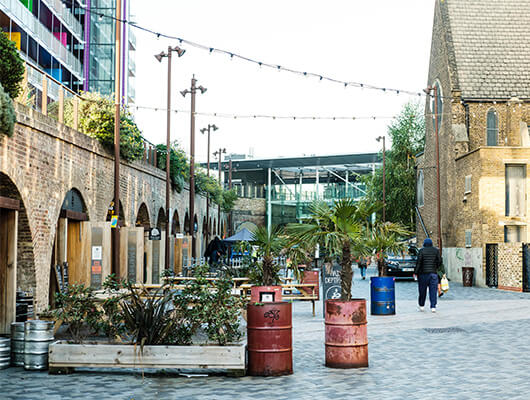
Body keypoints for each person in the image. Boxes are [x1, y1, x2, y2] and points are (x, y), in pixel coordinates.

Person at [414, 238, 442, 313]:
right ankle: (433, 307)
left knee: (422, 290)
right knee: (433, 291)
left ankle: (422, 305)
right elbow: (439, 261)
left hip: (423, 274)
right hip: (433, 274)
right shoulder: (436, 250)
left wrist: (415, 272)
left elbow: (418, 263)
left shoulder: (421, 251)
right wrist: (435, 267)